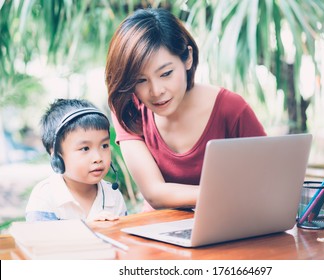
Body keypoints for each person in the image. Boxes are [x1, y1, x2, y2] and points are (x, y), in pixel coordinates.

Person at [105, 8, 267, 212]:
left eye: (166, 73)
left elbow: (269, 180)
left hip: (226, 226)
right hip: (158, 231)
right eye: (140, 80)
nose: (156, 91)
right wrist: (229, 193)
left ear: (187, 58)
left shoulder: (231, 109)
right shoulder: (128, 109)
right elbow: (155, 193)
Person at [25, 99, 127, 222]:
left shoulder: (113, 195)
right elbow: (41, 241)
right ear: (57, 157)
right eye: (85, 148)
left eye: (104, 146)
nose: (98, 158)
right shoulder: (45, 196)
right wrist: (89, 228)